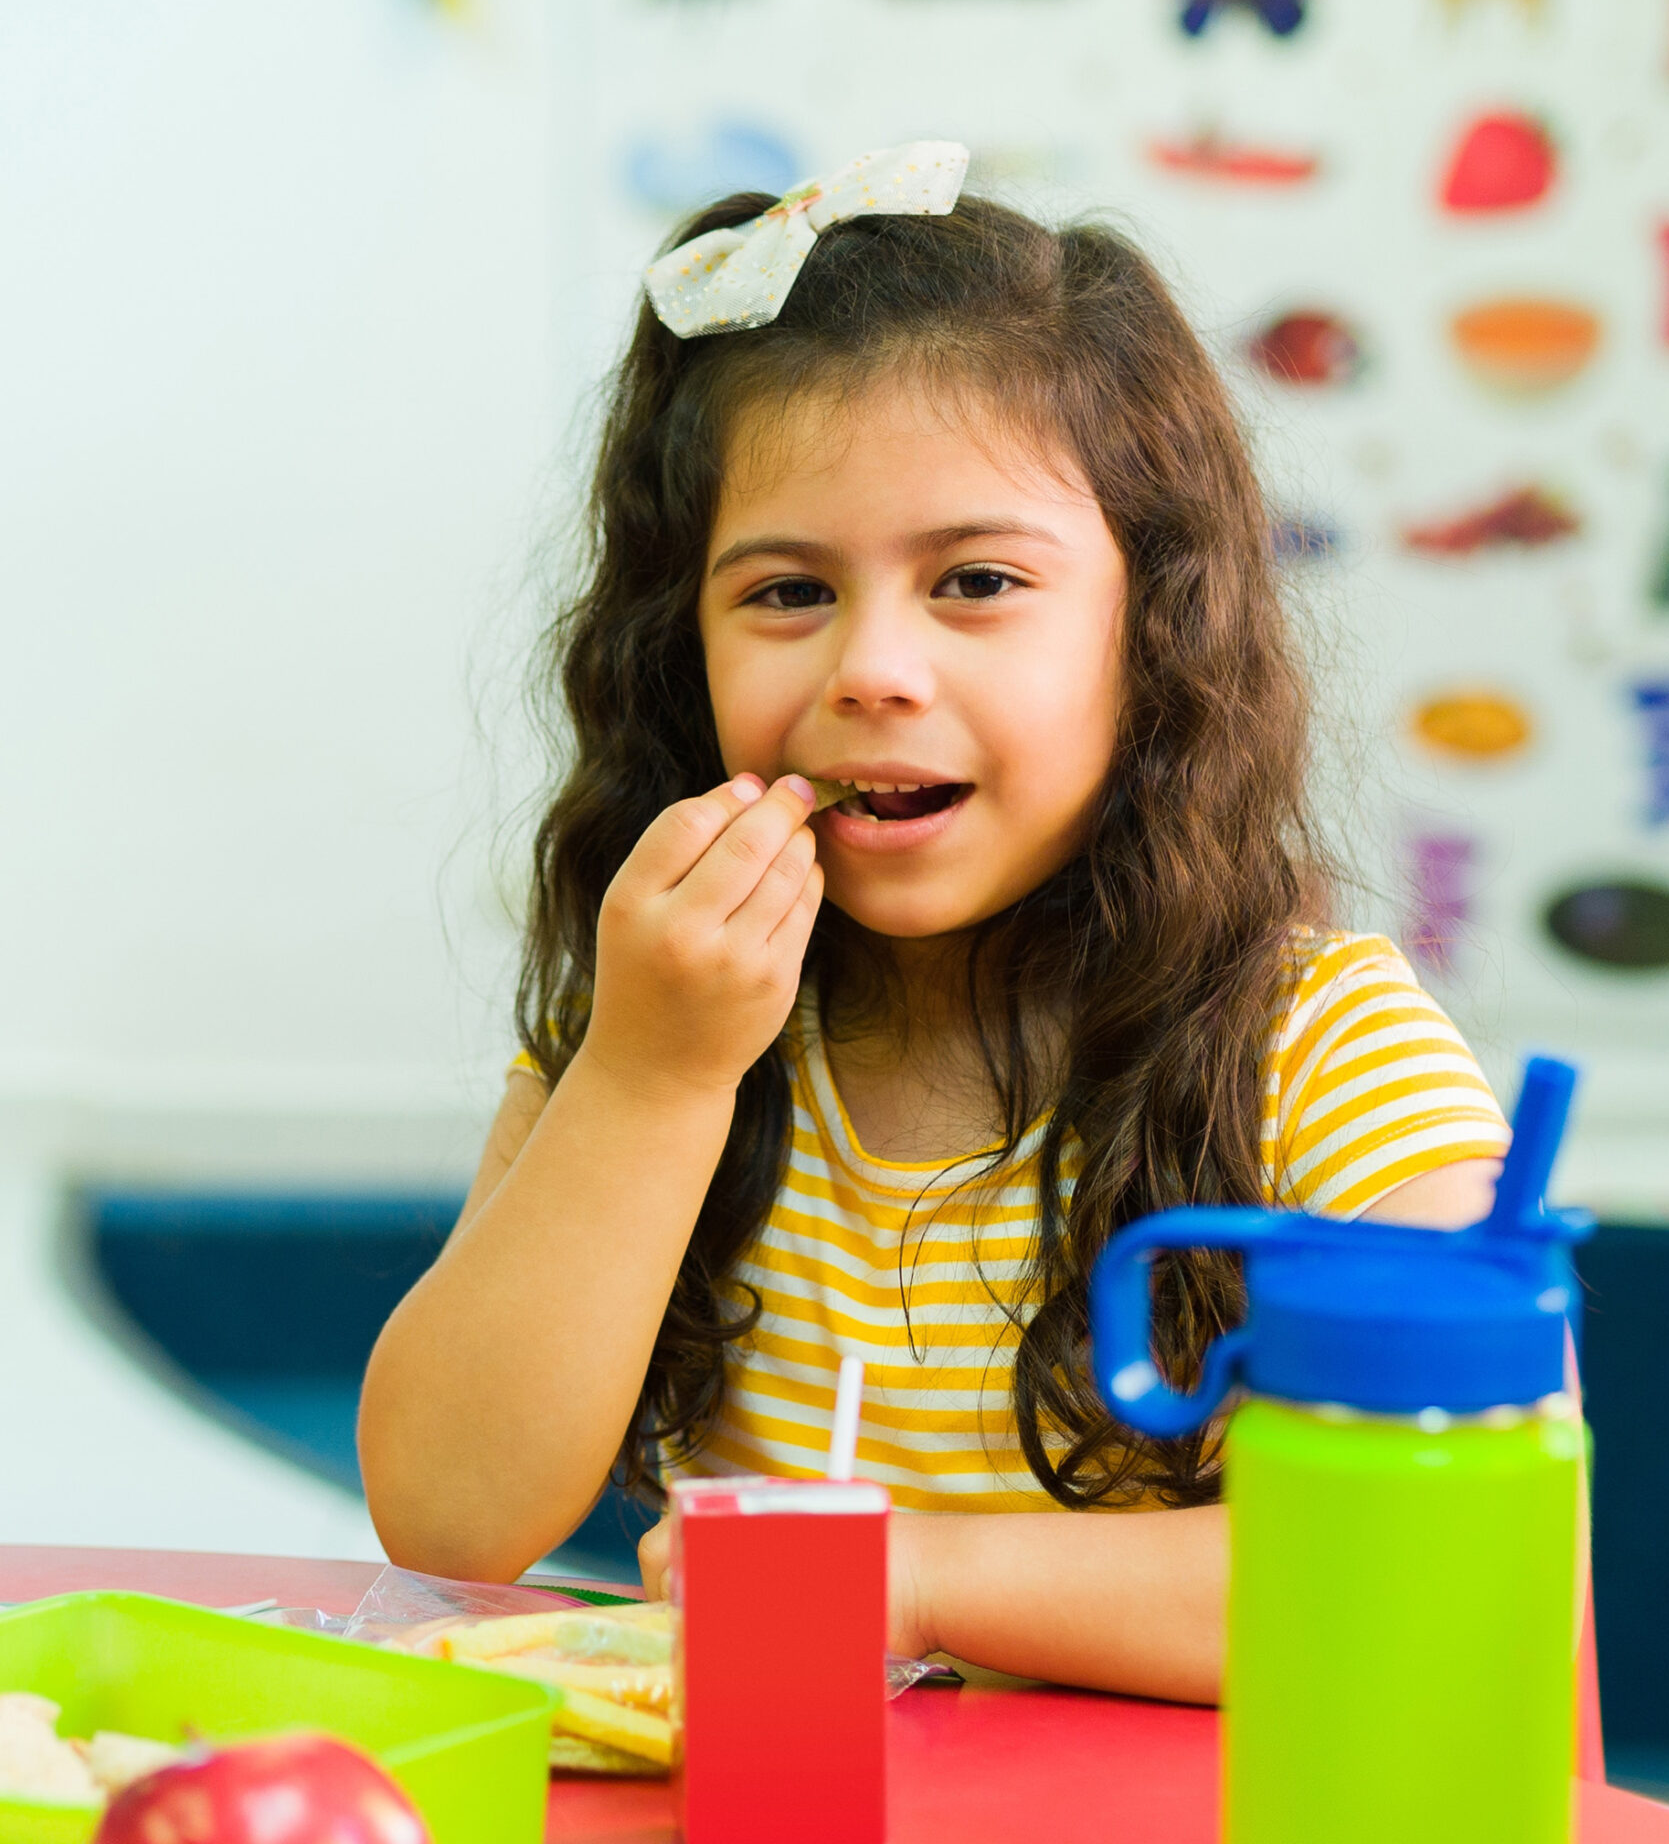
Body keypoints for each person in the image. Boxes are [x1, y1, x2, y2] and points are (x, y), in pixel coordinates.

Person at [359, 142, 1510, 1702]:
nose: (871, 669)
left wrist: (908, 1576)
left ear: (1151, 635)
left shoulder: (1321, 1052)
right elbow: (450, 1513)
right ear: (676, 648)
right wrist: (651, 1079)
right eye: (784, 594)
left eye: (974, 580)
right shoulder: (656, 1025)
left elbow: (1449, 1572)